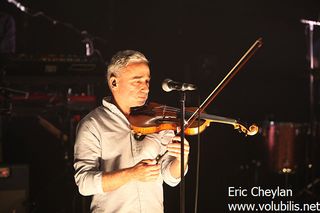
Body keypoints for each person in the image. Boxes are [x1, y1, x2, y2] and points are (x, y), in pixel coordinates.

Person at [74, 50, 190, 213]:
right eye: (137, 82)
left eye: (147, 81)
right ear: (114, 83)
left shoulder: (159, 121)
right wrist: (131, 174)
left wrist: (180, 159)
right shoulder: (92, 124)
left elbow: (170, 178)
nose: (145, 88)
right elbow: (84, 183)